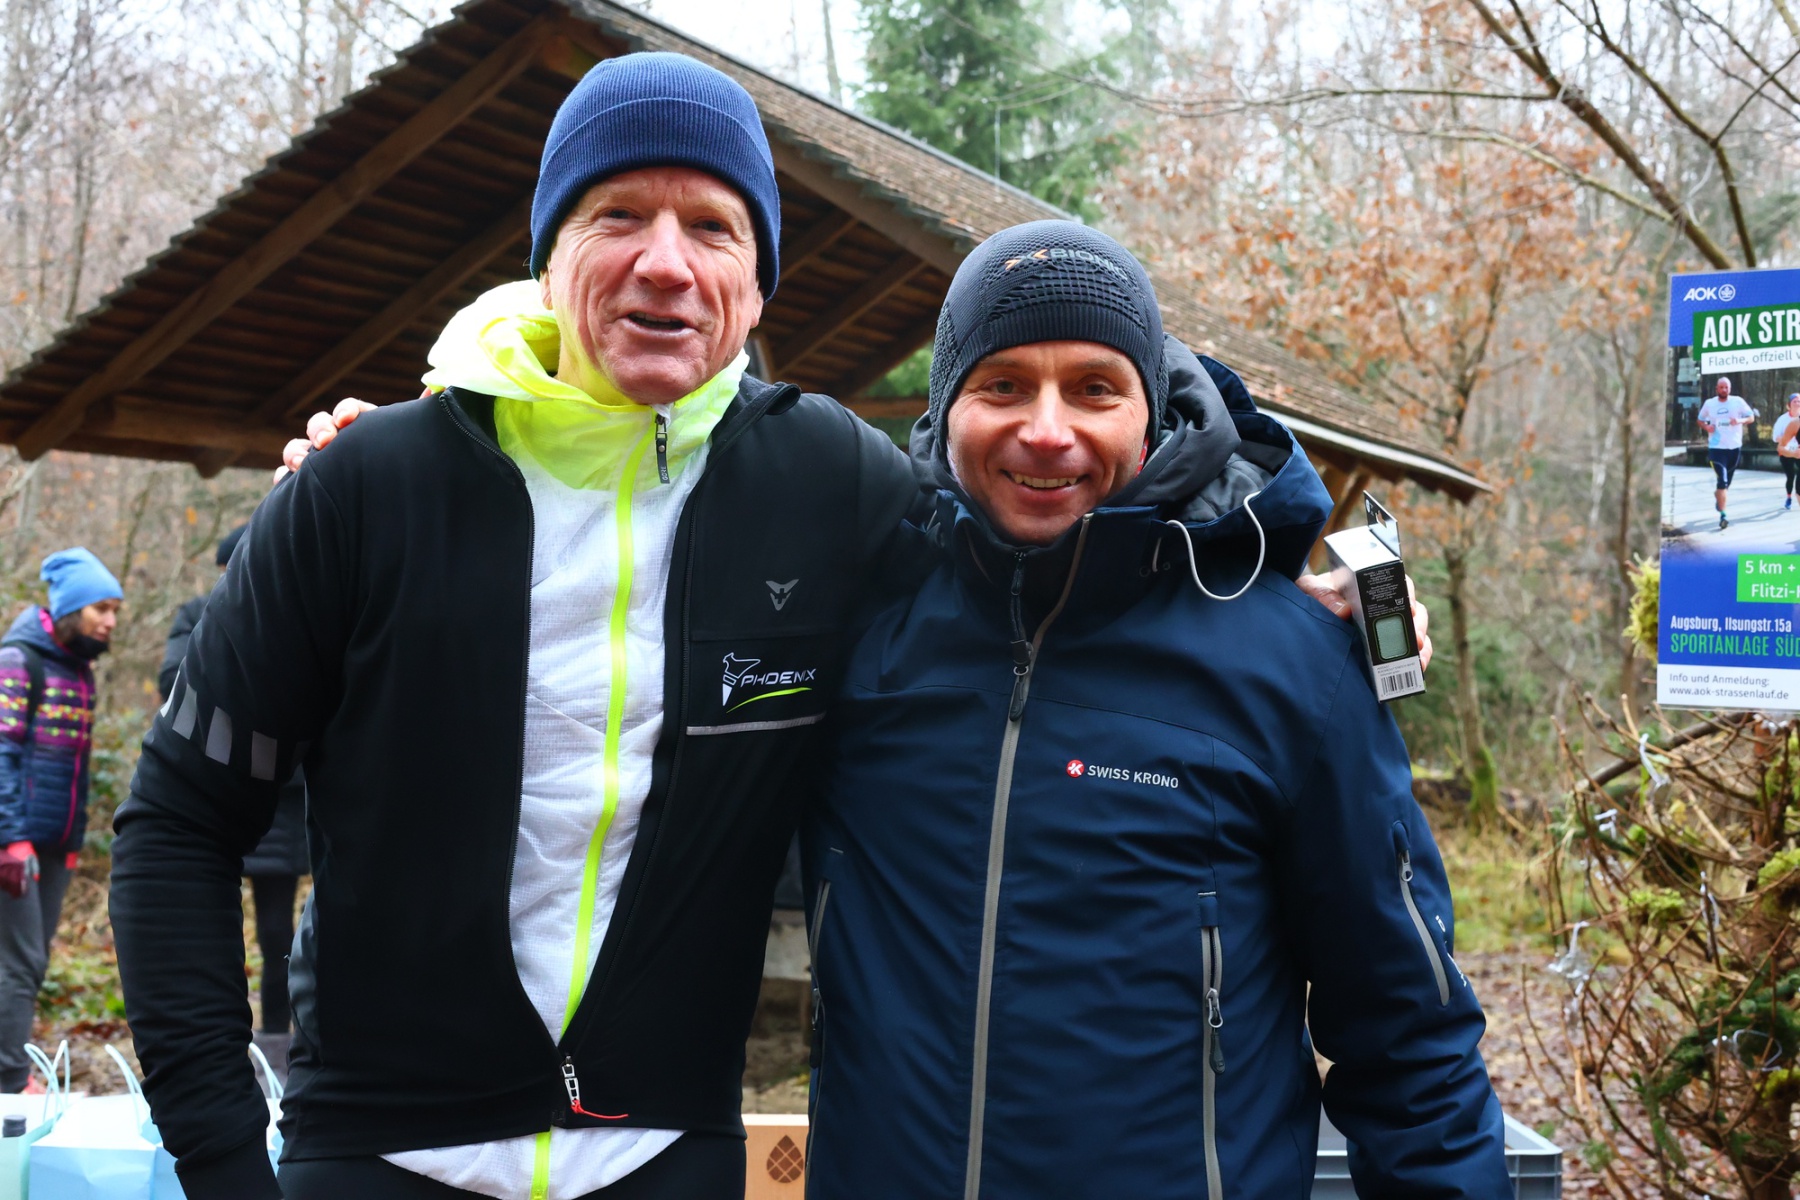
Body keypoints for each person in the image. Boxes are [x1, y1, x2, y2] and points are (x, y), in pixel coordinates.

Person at [115, 52, 1429, 1200]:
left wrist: (1300, 591)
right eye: (618, 214)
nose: (666, 262)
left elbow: (1065, 543)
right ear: (548, 255)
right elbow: (176, 827)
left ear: (758, 283)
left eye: (714, 226)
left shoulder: (832, 486)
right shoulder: (368, 487)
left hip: (662, 1157)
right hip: (373, 1155)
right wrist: (223, 1163)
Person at [801, 222, 1508, 1198]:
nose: (1047, 430)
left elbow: (1410, 1040)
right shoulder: (857, 627)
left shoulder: (1294, 665)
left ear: (1151, 415)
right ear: (945, 408)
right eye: (1002, 385)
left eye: (1095, 388)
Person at [157, 525, 308, 1082]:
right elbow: (173, 679)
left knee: (277, 933)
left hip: (282, 802)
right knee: (202, 925)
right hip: (210, 792)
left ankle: (276, 1044)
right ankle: (208, 1048)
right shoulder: (196, 614)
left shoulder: (296, 614)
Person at [0, 548, 122, 1092]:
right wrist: (10, 839)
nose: (110, 621)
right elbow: (1, 751)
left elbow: (75, 768)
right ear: (71, 609)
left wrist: (72, 842)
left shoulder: (80, 670)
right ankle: (10, 1082)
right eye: (101, 608)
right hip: (15, 842)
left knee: (32, 959)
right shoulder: (18, 661)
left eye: (115, 610)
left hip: (54, 844)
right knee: (21, 961)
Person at [1698, 375, 1755, 528]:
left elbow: (1751, 417)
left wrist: (1740, 421)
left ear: (1730, 389)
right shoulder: (1709, 403)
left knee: (1726, 484)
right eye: (1721, 387)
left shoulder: (1738, 402)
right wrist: (1706, 427)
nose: (1724, 390)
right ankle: (1723, 516)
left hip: (1734, 448)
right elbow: (1700, 419)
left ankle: (1719, 495)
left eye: (1726, 387)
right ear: (1717, 389)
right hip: (1716, 448)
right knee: (1722, 481)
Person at [1774, 393, 1800, 511]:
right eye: (1795, 401)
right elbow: (1776, 438)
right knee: (1790, 476)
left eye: (1799, 401)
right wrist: (1787, 442)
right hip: (1789, 452)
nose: (1797, 403)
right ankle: (1789, 497)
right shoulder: (1786, 420)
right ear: (1789, 404)